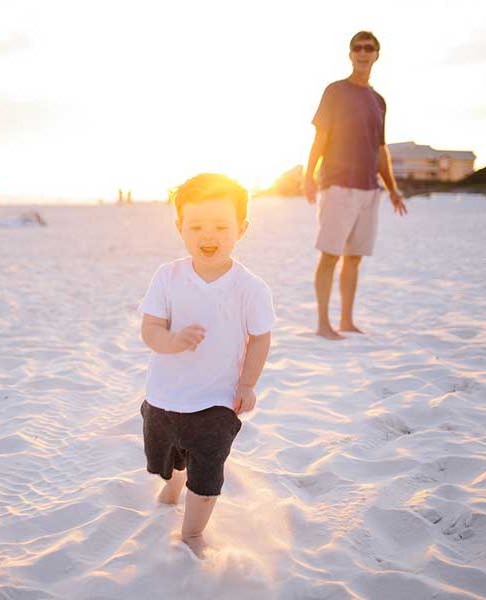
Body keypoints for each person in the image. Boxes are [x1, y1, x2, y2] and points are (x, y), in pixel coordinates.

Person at [139, 173, 275, 559]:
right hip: (165, 395)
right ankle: (173, 482)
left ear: (242, 229)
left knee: (208, 466)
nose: (207, 234)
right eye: (195, 225)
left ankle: (193, 532)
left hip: (217, 400)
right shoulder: (168, 276)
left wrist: (247, 384)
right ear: (180, 227)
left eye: (220, 225)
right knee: (166, 457)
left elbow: (260, 337)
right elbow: (149, 328)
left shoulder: (250, 288)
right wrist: (170, 341)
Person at [304, 31, 407, 340]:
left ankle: (346, 320)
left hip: (368, 188)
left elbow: (380, 149)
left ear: (377, 55)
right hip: (338, 184)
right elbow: (320, 137)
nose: (363, 53)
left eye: (369, 48)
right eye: (357, 48)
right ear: (350, 54)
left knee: (355, 257)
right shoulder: (335, 91)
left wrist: (391, 188)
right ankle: (323, 324)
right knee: (330, 255)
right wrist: (309, 175)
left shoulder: (379, 101)